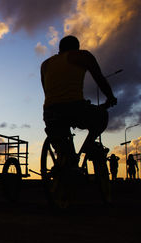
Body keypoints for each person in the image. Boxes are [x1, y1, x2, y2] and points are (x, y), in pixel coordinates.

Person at [40, 35, 117, 169]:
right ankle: (89, 146)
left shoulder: (45, 64)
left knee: (63, 147)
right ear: (77, 48)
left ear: (60, 49)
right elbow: (99, 78)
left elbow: (46, 91)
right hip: (75, 108)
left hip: (50, 112)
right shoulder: (82, 56)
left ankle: (64, 161)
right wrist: (110, 97)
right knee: (102, 116)